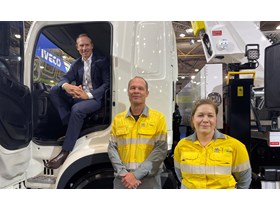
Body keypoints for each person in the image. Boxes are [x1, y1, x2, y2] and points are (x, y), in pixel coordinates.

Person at [44, 33, 110, 169]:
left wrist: (88, 95)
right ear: (77, 47)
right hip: (79, 95)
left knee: (77, 109)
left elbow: (107, 84)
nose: (84, 48)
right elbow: (64, 78)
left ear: (92, 46)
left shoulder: (101, 61)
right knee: (54, 91)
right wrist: (67, 86)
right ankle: (71, 128)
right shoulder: (76, 63)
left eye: (86, 45)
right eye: (81, 45)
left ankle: (65, 151)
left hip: (94, 99)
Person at [174, 99, 252, 189]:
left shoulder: (235, 146)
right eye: (200, 115)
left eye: (210, 116)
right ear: (193, 118)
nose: (205, 120)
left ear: (216, 119)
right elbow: (181, 176)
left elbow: (244, 180)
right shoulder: (182, 145)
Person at [107, 76, 167, 189]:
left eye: (140, 88)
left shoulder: (158, 118)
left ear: (147, 93)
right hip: (123, 180)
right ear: (128, 92)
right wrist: (123, 173)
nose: (136, 91)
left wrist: (136, 175)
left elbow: (160, 150)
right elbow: (112, 148)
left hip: (149, 181)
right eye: (132, 88)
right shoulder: (118, 119)